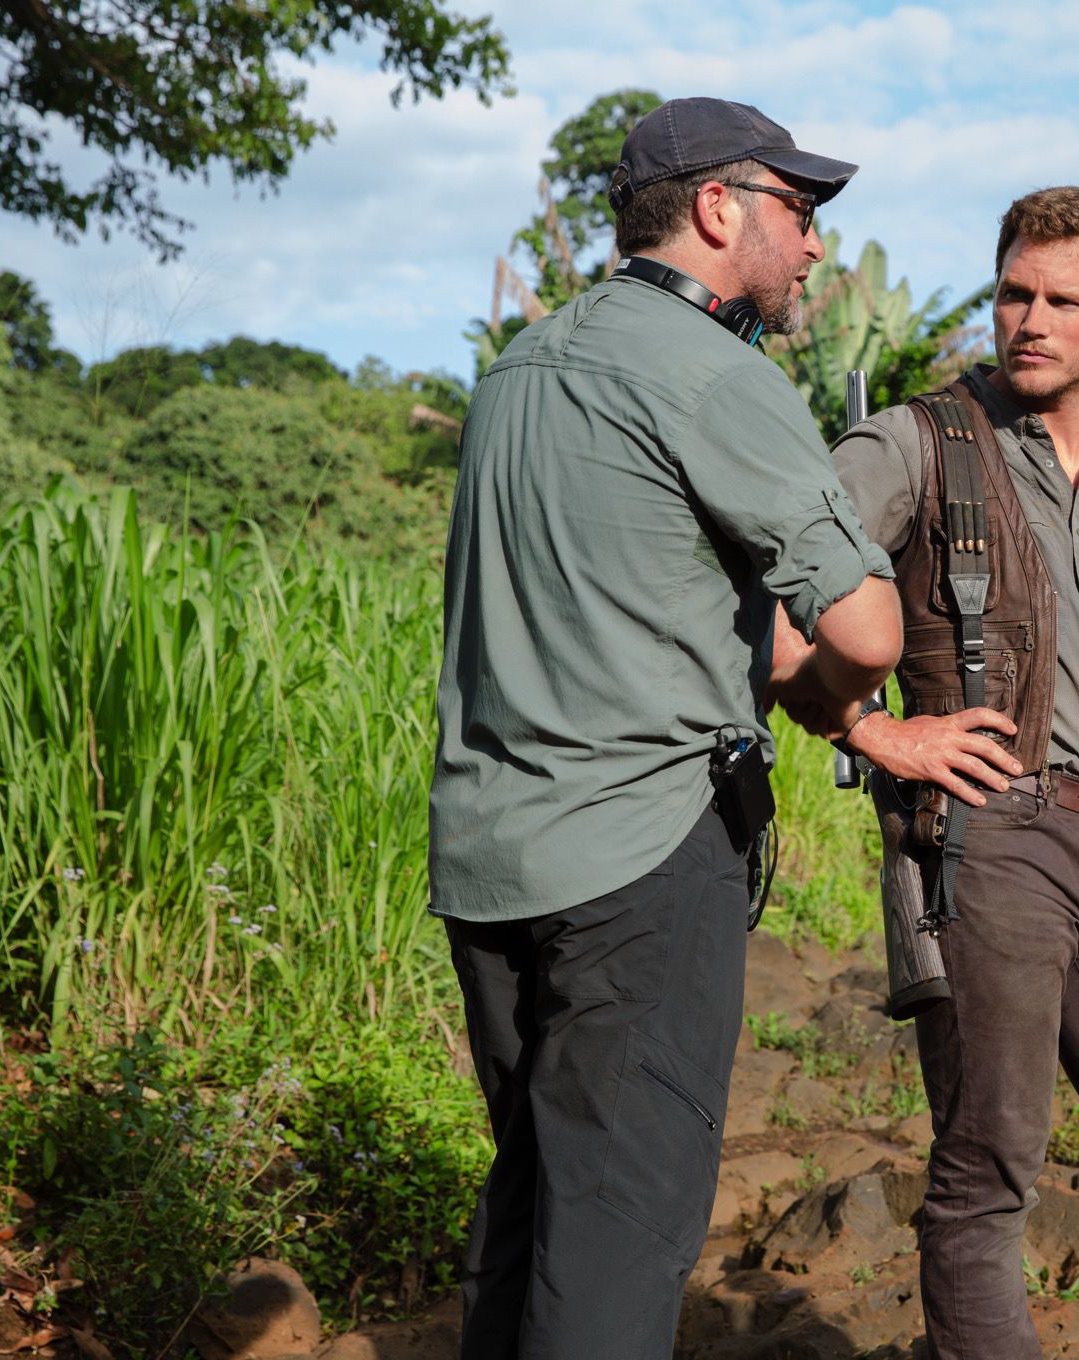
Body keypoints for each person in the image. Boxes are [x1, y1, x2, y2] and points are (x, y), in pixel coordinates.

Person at [428, 97, 902, 1359]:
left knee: (533, 1211)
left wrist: (835, 709)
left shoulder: (518, 369)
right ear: (717, 208)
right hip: (639, 860)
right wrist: (850, 675)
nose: (814, 243)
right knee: (618, 1240)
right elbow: (865, 632)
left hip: (490, 863)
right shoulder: (715, 373)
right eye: (799, 209)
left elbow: (643, 604)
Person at [810, 185, 1079, 1359]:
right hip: (988, 833)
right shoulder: (911, 442)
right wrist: (874, 732)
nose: (1032, 320)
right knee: (990, 1163)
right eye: (1014, 293)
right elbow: (778, 592)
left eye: (1064, 300)